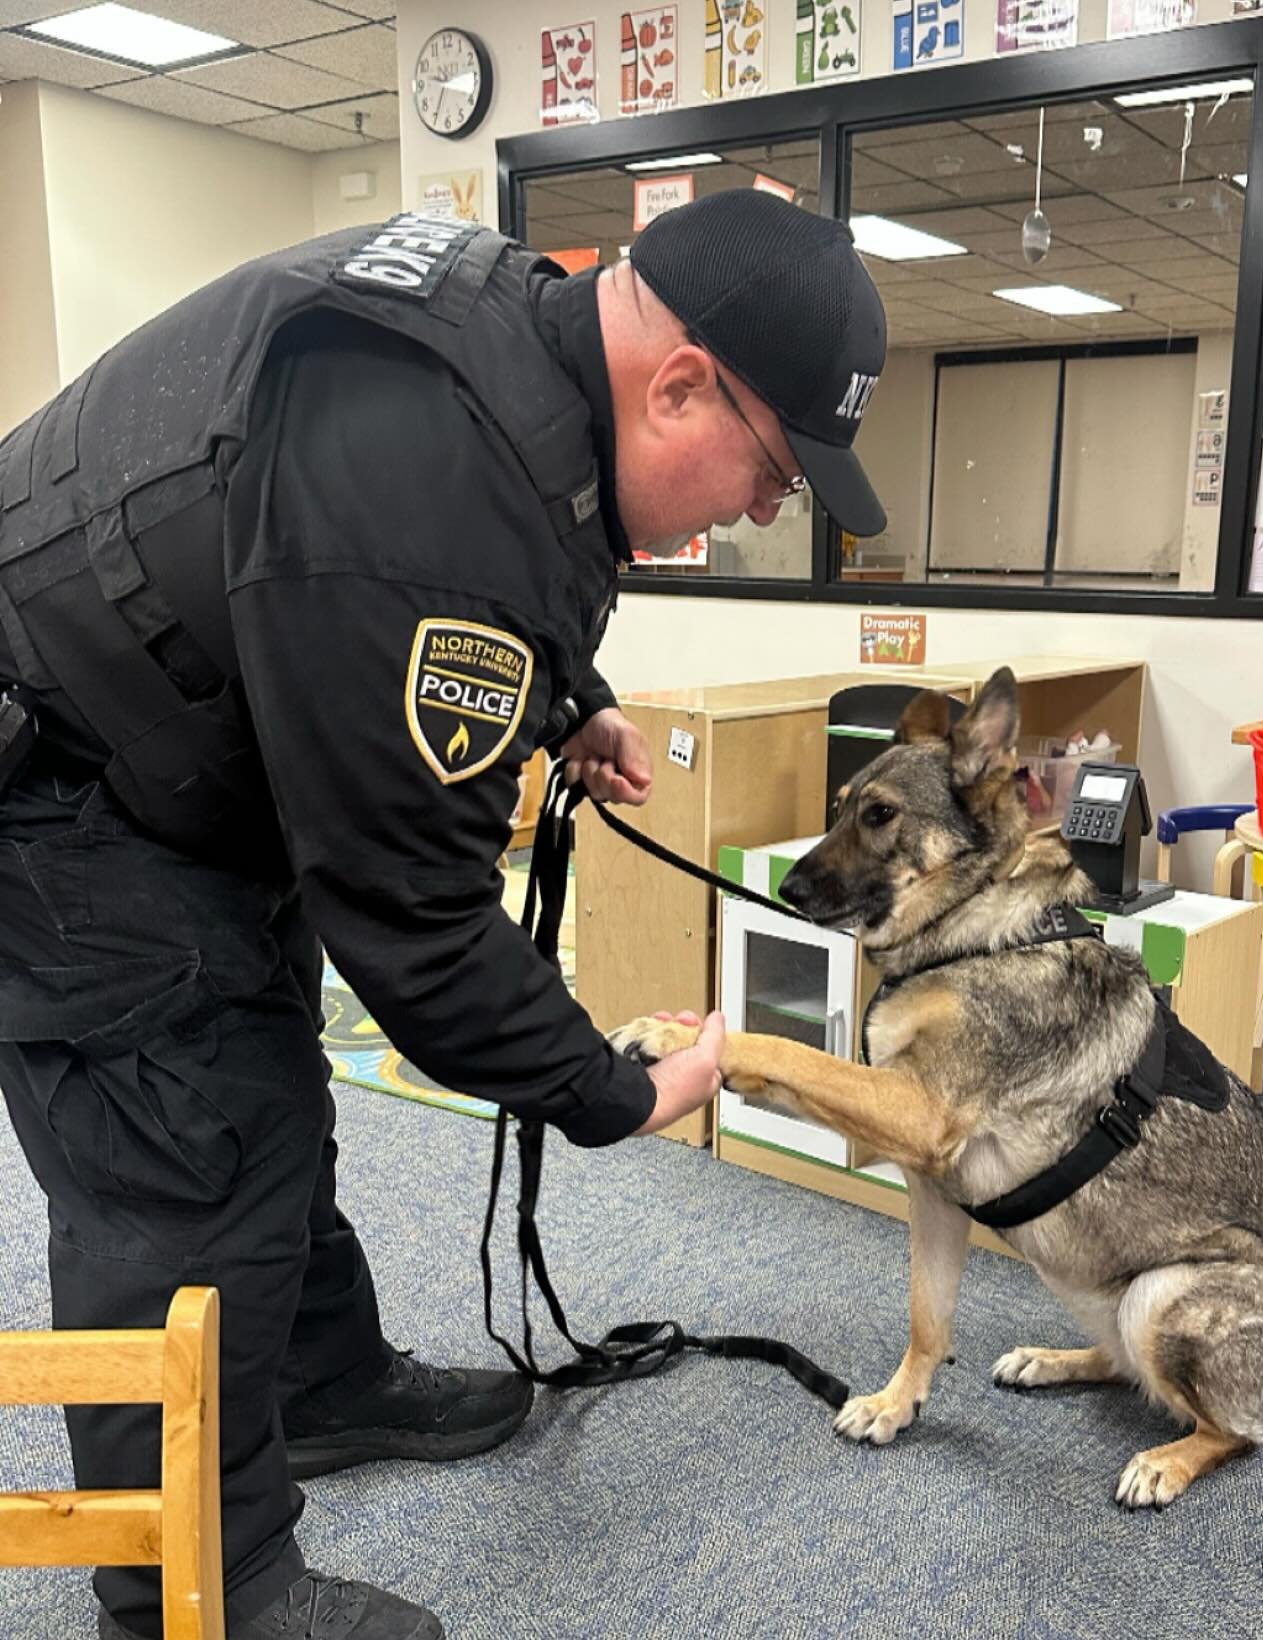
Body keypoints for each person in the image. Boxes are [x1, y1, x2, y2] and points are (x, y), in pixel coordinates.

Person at [0, 192, 887, 1640]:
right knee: (182, 1148)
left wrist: (568, 702)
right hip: (58, 783)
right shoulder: (416, 472)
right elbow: (415, 920)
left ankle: (320, 1384)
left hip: (187, 745)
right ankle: (186, 1594)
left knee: (263, 1087)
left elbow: (476, 579)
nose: (762, 512)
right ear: (679, 384)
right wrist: (616, 1092)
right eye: (774, 472)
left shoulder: (530, 330)